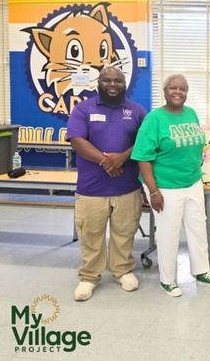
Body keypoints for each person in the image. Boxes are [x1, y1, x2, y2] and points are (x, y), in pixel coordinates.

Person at [131, 74, 210, 297]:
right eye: (173, 88)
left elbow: (196, 146)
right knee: (167, 233)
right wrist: (153, 191)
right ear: (164, 91)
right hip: (165, 186)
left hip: (192, 182)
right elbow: (143, 157)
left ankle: (202, 271)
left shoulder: (191, 113)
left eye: (182, 89)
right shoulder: (154, 119)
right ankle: (168, 280)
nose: (178, 92)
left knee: (198, 228)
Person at [67, 66, 147, 301]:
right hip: (92, 189)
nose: (113, 85)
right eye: (108, 80)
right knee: (91, 233)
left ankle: (122, 270)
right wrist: (105, 161)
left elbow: (145, 141)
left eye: (118, 81)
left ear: (125, 84)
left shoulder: (137, 111)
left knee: (125, 232)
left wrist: (122, 157)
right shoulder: (83, 109)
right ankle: (89, 276)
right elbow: (77, 140)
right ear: (98, 82)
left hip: (127, 187)